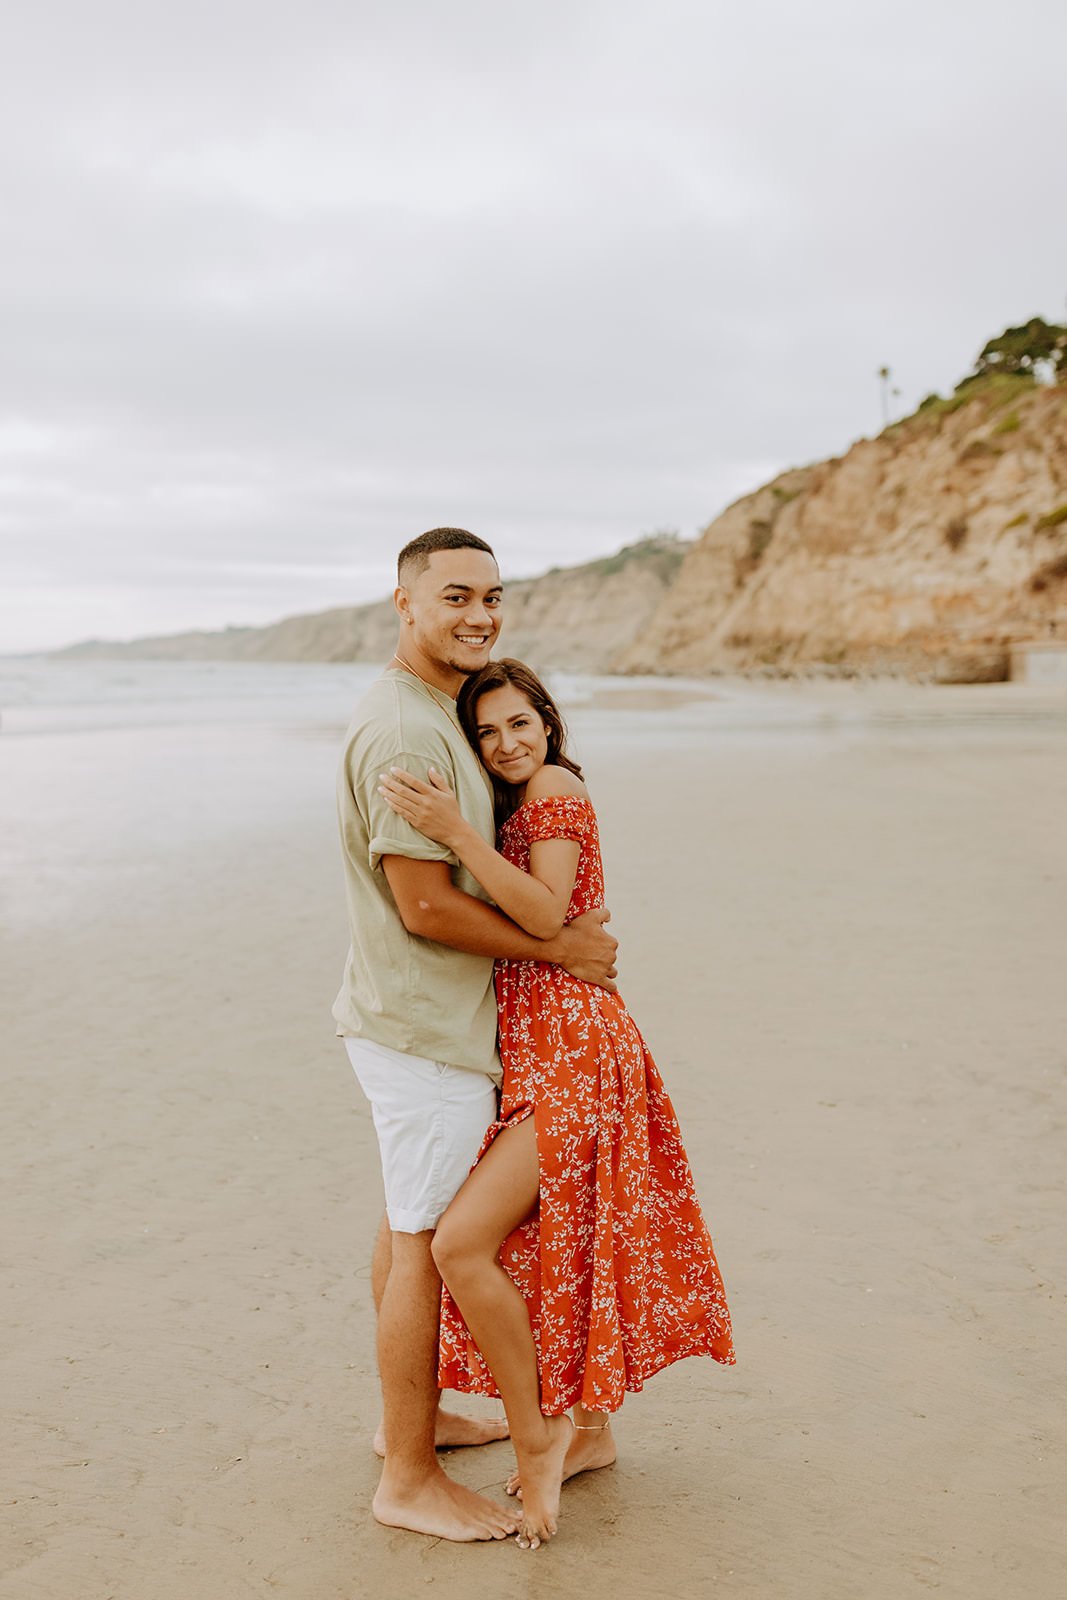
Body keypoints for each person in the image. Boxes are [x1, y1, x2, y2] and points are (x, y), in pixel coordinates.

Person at [379, 658, 735, 1550]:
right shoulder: (517, 796)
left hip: (577, 1048)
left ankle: (538, 1435)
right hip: (538, 1045)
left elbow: (541, 914)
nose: (506, 744)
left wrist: (456, 835)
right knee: (552, 1244)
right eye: (487, 732)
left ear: (547, 720)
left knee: (461, 1243)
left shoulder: (554, 784)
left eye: (519, 723)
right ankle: (593, 1432)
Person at [333, 532, 619, 1543]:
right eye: (455, 594)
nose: (479, 613)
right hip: (426, 1028)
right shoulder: (410, 735)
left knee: (409, 1223)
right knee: (426, 1243)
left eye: (492, 596)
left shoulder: (437, 713)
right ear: (404, 602)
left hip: (435, 1024)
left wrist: (551, 947)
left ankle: (408, 1423)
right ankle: (407, 1473)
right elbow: (425, 908)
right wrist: (559, 951)